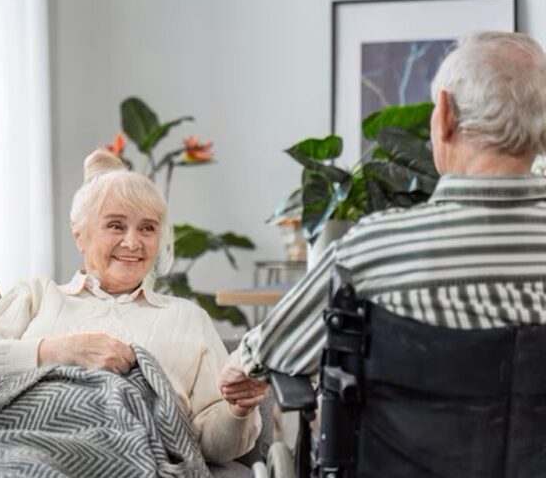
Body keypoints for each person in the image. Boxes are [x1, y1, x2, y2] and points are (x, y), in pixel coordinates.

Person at [219, 31, 546, 392]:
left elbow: (275, 349)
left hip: (414, 449)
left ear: (446, 118)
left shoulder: (375, 248)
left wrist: (243, 360)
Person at [0, 148, 267, 464]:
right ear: (80, 235)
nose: (133, 243)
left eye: (147, 228)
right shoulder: (37, 294)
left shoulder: (187, 317)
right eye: (116, 226)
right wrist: (60, 351)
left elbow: (211, 448)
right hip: (14, 448)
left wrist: (237, 410)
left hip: (131, 460)